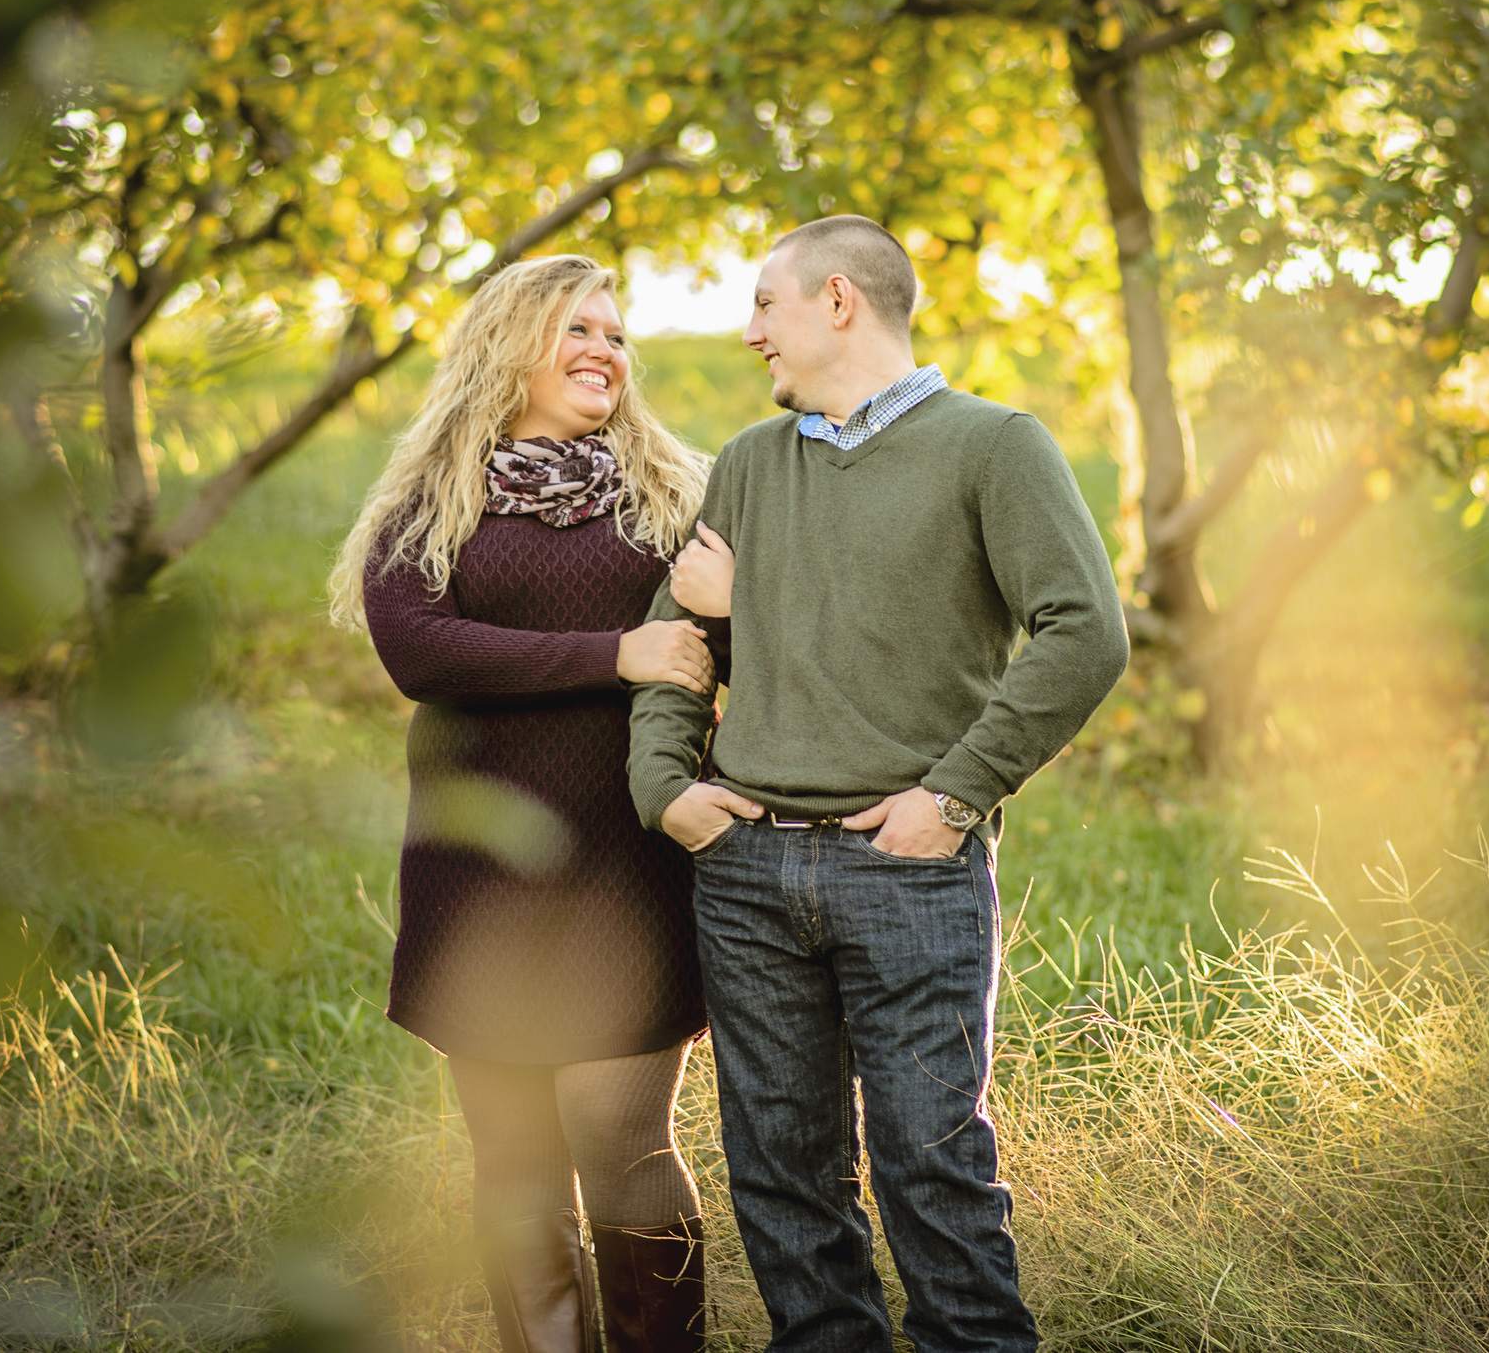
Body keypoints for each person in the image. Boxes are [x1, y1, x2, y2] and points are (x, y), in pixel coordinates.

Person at [626, 217, 1130, 1353]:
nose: (748, 330)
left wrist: (952, 797)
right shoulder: (753, 462)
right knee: (783, 1180)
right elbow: (673, 646)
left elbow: (1083, 634)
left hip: (907, 866)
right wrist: (667, 790)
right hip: (745, 871)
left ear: (838, 301)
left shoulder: (994, 446)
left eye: (765, 303)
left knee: (934, 1169)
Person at [327, 255, 720, 1353]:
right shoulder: (433, 496)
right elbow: (421, 648)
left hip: (628, 860)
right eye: (576, 329)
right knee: (512, 1153)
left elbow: (732, 643)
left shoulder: (669, 493)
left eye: (615, 331)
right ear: (509, 344)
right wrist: (618, 651)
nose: (604, 349)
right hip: (480, 865)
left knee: (617, 1128)